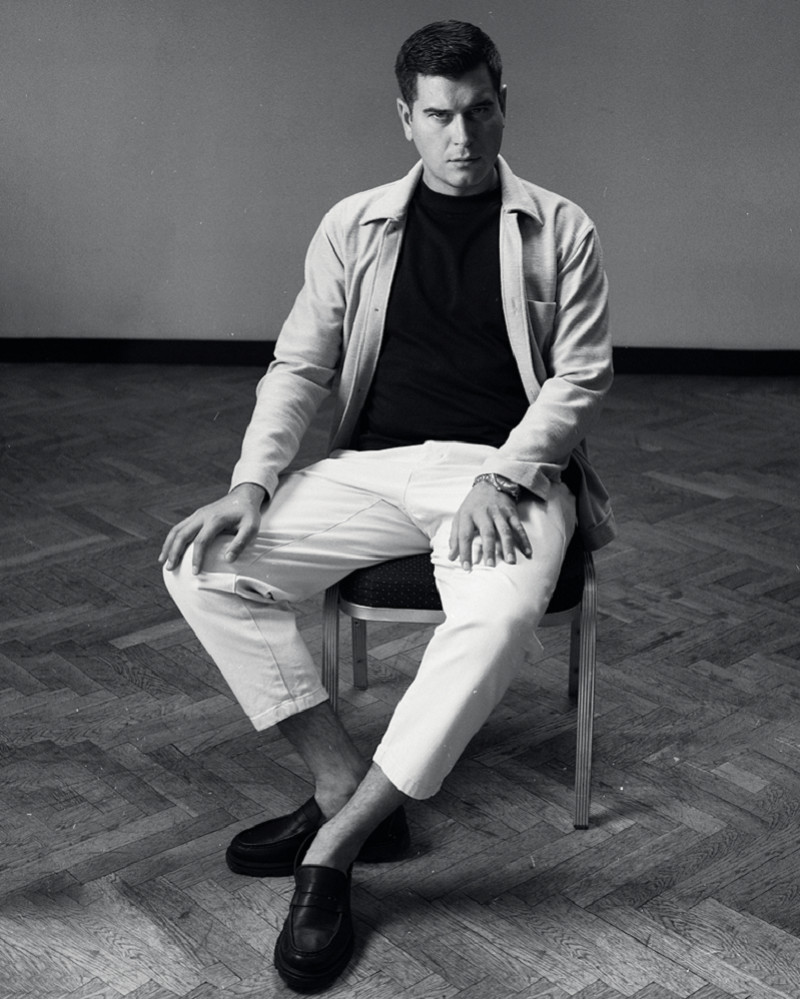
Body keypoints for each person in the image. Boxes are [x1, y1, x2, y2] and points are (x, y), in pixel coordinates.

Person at [160, 19, 614, 993]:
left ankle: (337, 845)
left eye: (479, 111)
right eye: (440, 116)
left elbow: (578, 379)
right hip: (369, 469)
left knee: (496, 621)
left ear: (503, 105)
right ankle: (340, 782)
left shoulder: (560, 228)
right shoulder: (353, 224)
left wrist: (506, 475)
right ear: (405, 117)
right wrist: (250, 482)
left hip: (503, 473)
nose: (462, 136)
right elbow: (299, 365)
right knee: (203, 566)